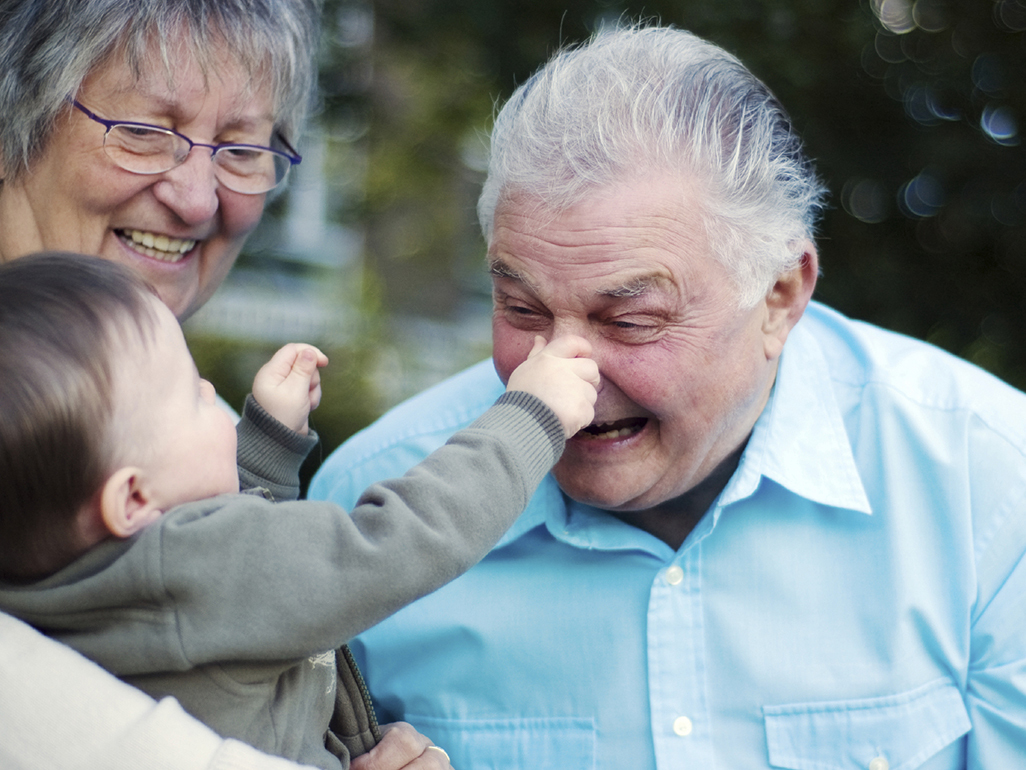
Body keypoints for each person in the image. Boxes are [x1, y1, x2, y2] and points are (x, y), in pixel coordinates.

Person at [309, 23, 1026, 770]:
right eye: (522, 311)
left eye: (631, 321)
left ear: (780, 296)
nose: (562, 382)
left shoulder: (990, 487)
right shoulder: (368, 504)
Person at [0, 253, 598, 770]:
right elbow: (398, 542)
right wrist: (528, 419)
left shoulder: (68, 596)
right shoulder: (206, 572)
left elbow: (239, 581)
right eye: (190, 393)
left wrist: (264, 450)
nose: (212, 394)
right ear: (132, 499)